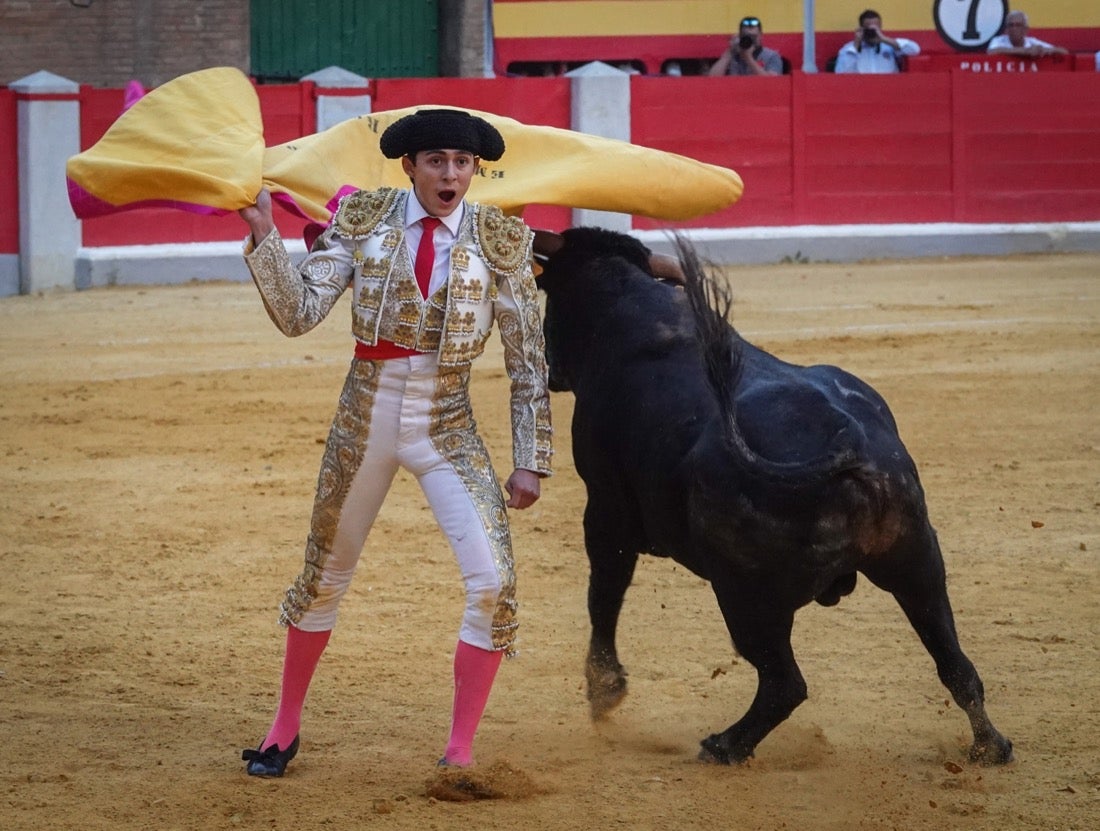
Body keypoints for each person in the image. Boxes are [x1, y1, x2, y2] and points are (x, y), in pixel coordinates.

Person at [236, 108, 553, 778]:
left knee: (493, 582)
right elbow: (298, 314)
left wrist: (531, 458)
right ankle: (283, 727)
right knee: (324, 575)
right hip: (365, 418)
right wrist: (266, 236)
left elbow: (528, 361)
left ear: (475, 170)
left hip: (448, 423)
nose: (450, 174)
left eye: (462, 162)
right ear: (409, 166)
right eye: (436, 159)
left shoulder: (501, 239)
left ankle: (460, 749)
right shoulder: (365, 221)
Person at [834, 9, 921, 74]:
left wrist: (883, 39)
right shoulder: (850, 49)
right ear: (861, 28)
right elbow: (840, 72)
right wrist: (856, 45)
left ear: (880, 27)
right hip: (862, 89)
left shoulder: (890, 46)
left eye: (875, 28)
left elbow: (915, 49)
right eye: (869, 28)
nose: (872, 31)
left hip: (889, 87)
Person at [708, 16, 784, 76]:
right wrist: (729, 52)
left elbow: (772, 82)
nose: (750, 40)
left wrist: (748, 58)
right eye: (746, 36)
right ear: (740, 36)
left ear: (761, 36)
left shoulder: (772, 56)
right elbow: (712, 78)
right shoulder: (733, 54)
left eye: (753, 37)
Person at [987, 10, 1069, 57]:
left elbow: (1063, 51)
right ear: (1006, 30)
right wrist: (1025, 51)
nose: (1014, 29)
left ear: (1025, 29)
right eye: (1011, 25)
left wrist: (1043, 50)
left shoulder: (1032, 42)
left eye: (1018, 25)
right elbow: (991, 52)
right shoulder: (999, 41)